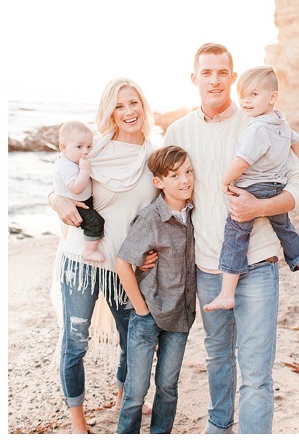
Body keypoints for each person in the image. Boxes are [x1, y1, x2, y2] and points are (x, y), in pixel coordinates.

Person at [163, 43, 299, 434]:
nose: (215, 80)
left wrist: (258, 208)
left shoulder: (258, 122)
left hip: (259, 264)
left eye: (222, 72)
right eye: (206, 73)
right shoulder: (177, 132)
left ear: (233, 77)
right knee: (217, 358)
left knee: (257, 369)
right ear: (194, 79)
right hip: (208, 266)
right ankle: (218, 426)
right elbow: (157, 193)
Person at [48, 77, 159, 434]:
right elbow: (60, 184)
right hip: (81, 261)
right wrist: (55, 200)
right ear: (109, 111)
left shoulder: (154, 154)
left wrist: (151, 251)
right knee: (75, 342)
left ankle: (126, 397)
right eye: (119, 105)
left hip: (126, 267)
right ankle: (77, 419)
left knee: (133, 342)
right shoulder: (93, 152)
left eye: (133, 103)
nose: (128, 112)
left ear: (143, 106)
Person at [205, 66, 299, 312]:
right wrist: (282, 171)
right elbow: (297, 144)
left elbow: (242, 160)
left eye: (254, 95)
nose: (246, 101)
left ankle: (226, 292)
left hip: (253, 188)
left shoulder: (256, 127)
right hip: (276, 187)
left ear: (272, 97)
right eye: (243, 95)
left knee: (236, 235)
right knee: (285, 229)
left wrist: (225, 180)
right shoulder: (281, 122)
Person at [115, 145, 196, 434]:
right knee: (136, 392)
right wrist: (140, 308)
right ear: (159, 182)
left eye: (188, 172)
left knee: (168, 387)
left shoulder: (194, 215)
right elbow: (123, 262)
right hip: (147, 317)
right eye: (174, 175)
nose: (184, 180)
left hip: (180, 317)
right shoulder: (151, 218)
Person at [52, 120, 105, 262]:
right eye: (79, 147)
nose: (86, 151)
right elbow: (76, 188)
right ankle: (89, 252)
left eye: (89, 146)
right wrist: (85, 170)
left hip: (83, 199)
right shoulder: (65, 166)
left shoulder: (72, 160)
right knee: (95, 222)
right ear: (63, 147)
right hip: (76, 203)